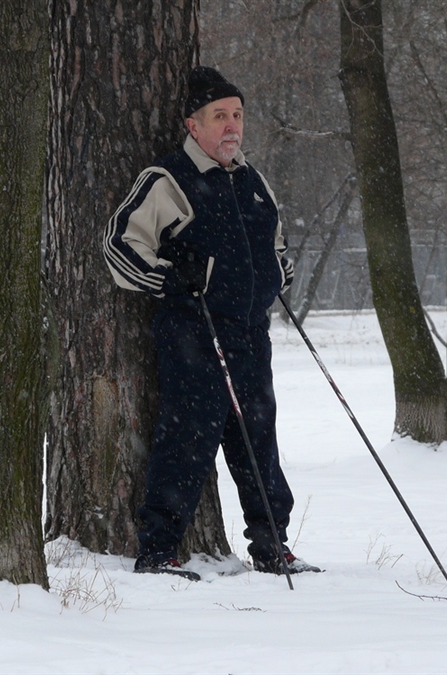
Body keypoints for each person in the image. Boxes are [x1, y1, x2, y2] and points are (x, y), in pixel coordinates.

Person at [103, 66, 320, 580]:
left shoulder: (252, 181)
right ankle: (158, 551)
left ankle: (271, 546)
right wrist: (172, 277)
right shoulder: (168, 179)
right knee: (187, 442)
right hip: (194, 335)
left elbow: (276, 245)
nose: (231, 126)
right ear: (193, 125)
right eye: (219, 116)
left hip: (251, 335)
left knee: (259, 443)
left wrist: (277, 272)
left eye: (237, 115)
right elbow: (119, 246)